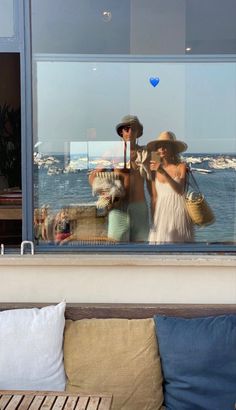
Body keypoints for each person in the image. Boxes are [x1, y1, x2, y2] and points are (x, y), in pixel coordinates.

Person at [89, 115, 151, 242]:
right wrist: (104, 192)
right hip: (118, 207)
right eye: (126, 129)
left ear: (138, 132)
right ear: (121, 132)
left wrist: (180, 165)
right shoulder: (112, 152)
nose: (129, 132)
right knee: (116, 246)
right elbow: (93, 175)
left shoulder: (146, 153)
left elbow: (160, 171)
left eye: (133, 129)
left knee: (141, 249)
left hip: (139, 206)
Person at [148, 130, 194, 243]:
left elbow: (180, 190)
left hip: (179, 213)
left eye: (166, 146)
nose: (162, 148)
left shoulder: (181, 167)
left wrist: (163, 172)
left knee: (181, 251)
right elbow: (154, 198)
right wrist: (153, 220)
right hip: (161, 214)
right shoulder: (154, 171)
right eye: (159, 146)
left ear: (172, 149)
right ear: (157, 150)